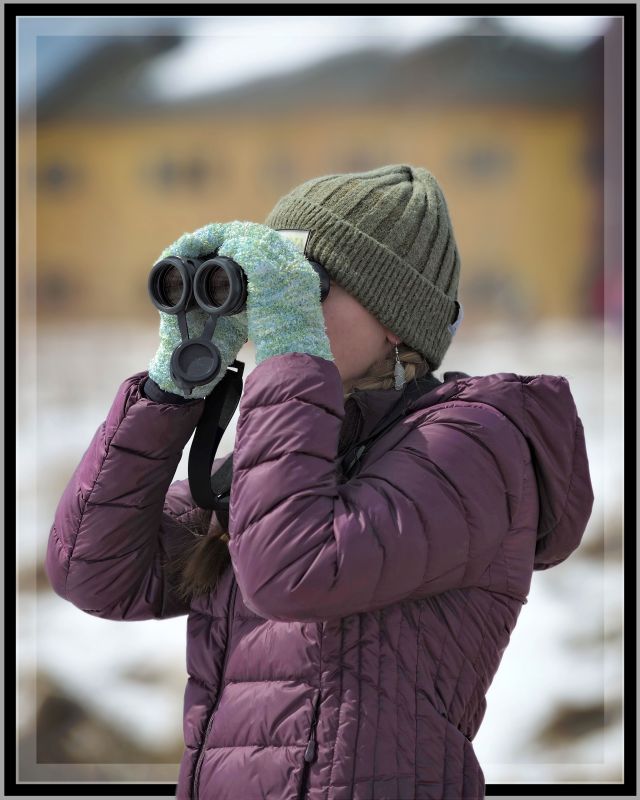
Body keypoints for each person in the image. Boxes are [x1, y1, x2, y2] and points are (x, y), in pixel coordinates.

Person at [44, 164, 594, 800]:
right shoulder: (299, 449)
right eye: (271, 285)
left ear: (396, 318)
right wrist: (173, 385)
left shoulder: (470, 444)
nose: (277, 310)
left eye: (307, 285)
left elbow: (292, 571)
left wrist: (290, 359)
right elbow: (92, 571)